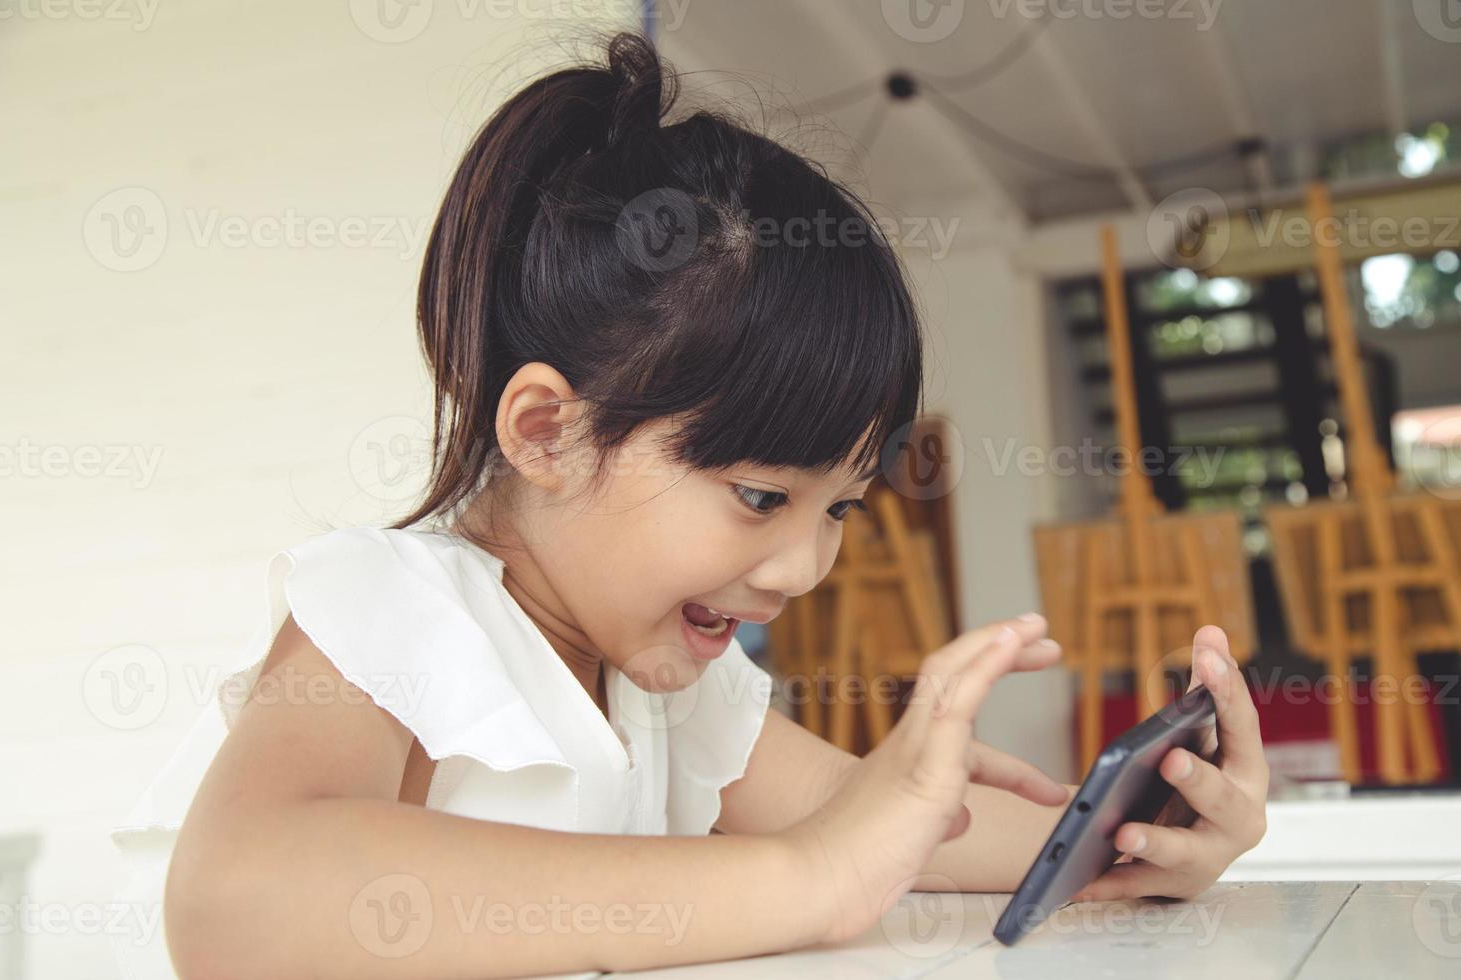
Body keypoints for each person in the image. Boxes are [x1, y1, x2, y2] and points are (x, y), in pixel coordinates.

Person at [111, 30, 1268, 980]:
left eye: (841, 508)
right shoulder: (400, 605)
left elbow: (871, 819)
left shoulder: (674, 683)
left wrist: (1144, 842)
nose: (803, 563)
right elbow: (237, 897)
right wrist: (804, 878)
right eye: (761, 493)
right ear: (547, 432)